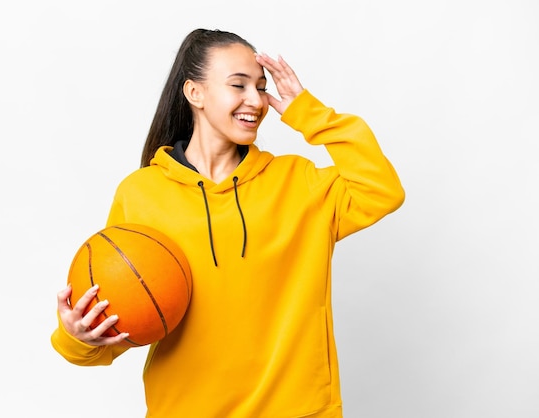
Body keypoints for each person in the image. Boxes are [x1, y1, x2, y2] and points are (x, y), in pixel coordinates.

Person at [51, 28, 405, 417]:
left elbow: (382, 189)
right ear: (195, 93)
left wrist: (310, 113)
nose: (256, 100)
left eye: (261, 86)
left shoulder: (299, 183)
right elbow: (129, 318)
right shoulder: (140, 193)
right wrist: (78, 336)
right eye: (239, 85)